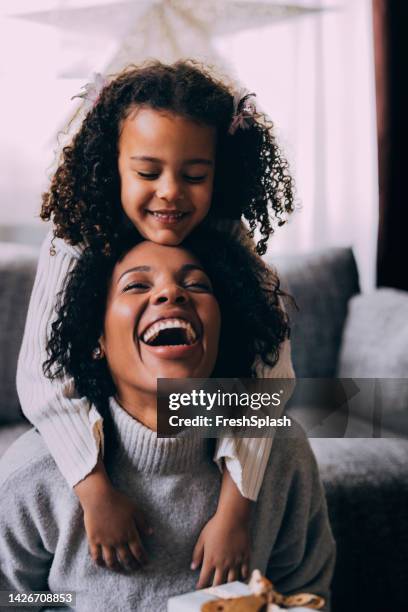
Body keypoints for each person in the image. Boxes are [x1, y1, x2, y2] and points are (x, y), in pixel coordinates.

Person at [16, 60, 295, 585]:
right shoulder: (76, 236)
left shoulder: (229, 239)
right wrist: (93, 489)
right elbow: (17, 598)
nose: (170, 191)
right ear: (110, 166)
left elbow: (272, 374)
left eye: (194, 175)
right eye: (147, 173)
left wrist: (238, 507)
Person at [2, 233, 335, 611]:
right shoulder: (34, 471)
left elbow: (307, 594)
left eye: (196, 284)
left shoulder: (283, 453)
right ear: (97, 340)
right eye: (137, 284)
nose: (171, 294)